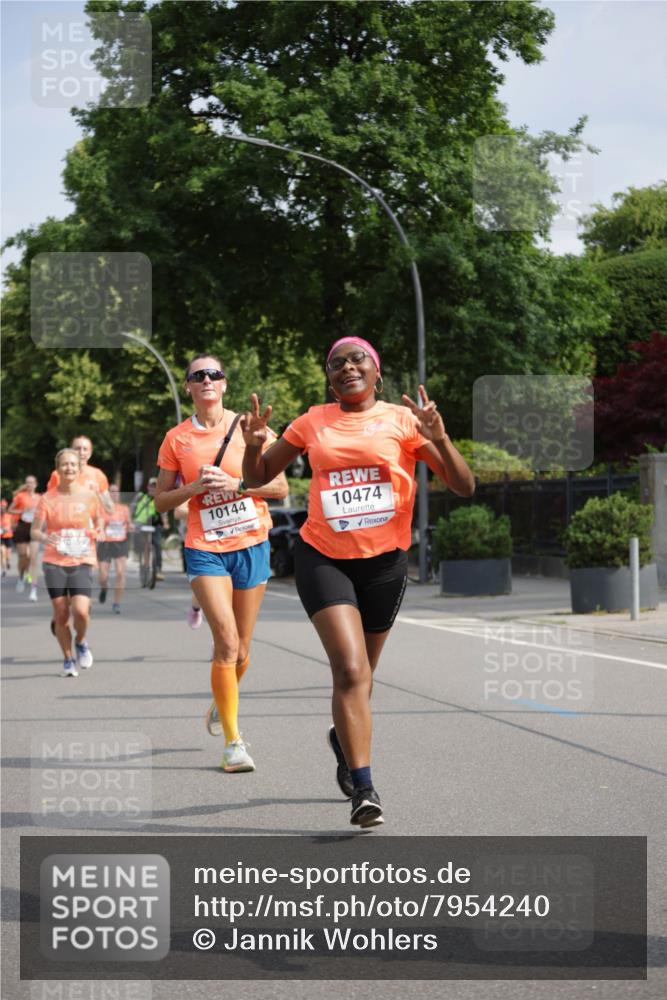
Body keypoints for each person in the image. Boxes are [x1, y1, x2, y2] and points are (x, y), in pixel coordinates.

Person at [241, 336, 475, 828]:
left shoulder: (405, 421)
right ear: (329, 378)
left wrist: (441, 436)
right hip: (323, 556)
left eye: (357, 359)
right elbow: (257, 477)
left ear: (376, 373)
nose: (347, 367)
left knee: (363, 679)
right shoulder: (312, 421)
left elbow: (462, 485)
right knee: (349, 670)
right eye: (336, 363)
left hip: (386, 563)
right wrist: (254, 445)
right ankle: (364, 788)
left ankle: (342, 743)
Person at [154, 353, 288, 772]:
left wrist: (238, 484)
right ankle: (233, 742)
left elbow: (281, 487)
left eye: (214, 374)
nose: (207, 380)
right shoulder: (176, 439)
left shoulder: (251, 428)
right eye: (198, 376)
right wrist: (193, 487)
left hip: (251, 542)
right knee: (227, 642)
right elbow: (159, 501)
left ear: (224, 384)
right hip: (205, 547)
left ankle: (221, 699)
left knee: (243, 649)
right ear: (190, 387)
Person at [31, 449, 103, 677]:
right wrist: (44, 536)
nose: (69, 468)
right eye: (64, 464)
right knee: (61, 614)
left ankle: (81, 641)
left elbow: (99, 519)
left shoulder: (89, 496)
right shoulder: (47, 498)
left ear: (78, 468)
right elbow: (34, 531)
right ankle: (68, 658)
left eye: (73, 464)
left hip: (82, 558)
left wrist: (99, 530)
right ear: (57, 468)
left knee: (81, 611)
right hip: (55, 559)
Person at [46, 435, 114, 513]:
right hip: (64, 523)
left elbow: (110, 510)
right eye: (77, 448)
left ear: (90, 453)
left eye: (85, 449)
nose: (81, 452)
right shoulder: (57, 475)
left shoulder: (98, 475)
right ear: (71, 451)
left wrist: (98, 494)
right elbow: (48, 505)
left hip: (90, 524)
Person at [97, 484, 131, 613]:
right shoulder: (102, 509)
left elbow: (128, 524)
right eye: (112, 491)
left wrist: (131, 527)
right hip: (105, 543)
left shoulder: (124, 509)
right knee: (103, 576)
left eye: (117, 492)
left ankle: (117, 603)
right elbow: (99, 524)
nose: (114, 494)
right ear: (108, 494)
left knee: (121, 573)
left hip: (120, 543)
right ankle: (104, 588)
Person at [9, 476, 41, 599]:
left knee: (33, 558)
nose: (29, 485)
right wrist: (23, 510)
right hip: (22, 527)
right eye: (27, 482)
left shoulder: (40, 498)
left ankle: (34, 590)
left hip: (34, 528)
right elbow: (10, 510)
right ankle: (22, 577)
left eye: (32, 482)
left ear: (36, 484)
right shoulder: (20, 496)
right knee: (23, 556)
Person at [132, 477, 170, 581]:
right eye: (151, 486)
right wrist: (130, 522)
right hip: (141, 524)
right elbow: (132, 509)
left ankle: (157, 569)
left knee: (157, 545)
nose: (153, 488)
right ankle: (141, 560)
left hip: (155, 524)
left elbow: (164, 513)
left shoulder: (160, 498)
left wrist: (165, 523)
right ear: (148, 487)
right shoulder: (140, 497)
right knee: (141, 543)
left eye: (155, 486)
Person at [1, 499, 13, 576]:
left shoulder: (9, 515)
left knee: (8, 554)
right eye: (0, 507)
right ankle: (4, 569)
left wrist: (9, 528)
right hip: (1, 537)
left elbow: (13, 525)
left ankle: (8, 561)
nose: (1, 508)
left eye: (3, 507)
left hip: (8, 536)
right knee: (2, 552)